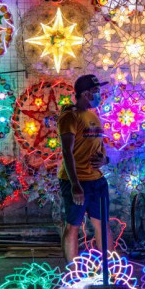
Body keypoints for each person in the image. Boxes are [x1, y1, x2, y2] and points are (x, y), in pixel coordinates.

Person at [58, 74, 111, 263]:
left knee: (102, 224)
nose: (99, 95)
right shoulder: (69, 116)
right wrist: (75, 185)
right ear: (86, 93)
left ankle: (109, 270)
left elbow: (99, 147)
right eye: (96, 91)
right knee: (73, 225)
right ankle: (72, 273)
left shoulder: (93, 116)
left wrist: (105, 160)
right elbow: (67, 150)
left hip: (97, 180)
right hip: (76, 181)